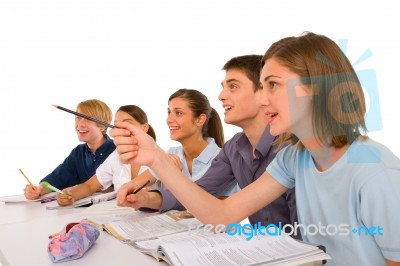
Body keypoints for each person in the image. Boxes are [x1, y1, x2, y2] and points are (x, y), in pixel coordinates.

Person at [110, 32, 400, 265]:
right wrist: (157, 159)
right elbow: (221, 214)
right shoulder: (292, 158)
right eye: (262, 86)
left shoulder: (376, 173)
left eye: (273, 85)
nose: (263, 100)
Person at [118, 55, 298, 236]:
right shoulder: (233, 148)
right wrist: (146, 198)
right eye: (223, 87)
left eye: (233, 86)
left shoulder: (294, 149)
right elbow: (199, 195)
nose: (221, 96)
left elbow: (309, 236)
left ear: (263, 92)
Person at [117, 88, 235, 206]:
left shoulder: (224, 160)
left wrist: (172, 177)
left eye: (178, 113)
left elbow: (216, 209)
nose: (169, 120)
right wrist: (129, 189)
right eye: (169, 112)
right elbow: (136, 184)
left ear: (200, 119)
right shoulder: (171, 153)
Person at [56, 105, 157, 206]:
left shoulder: (161, 157)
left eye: (127, 123)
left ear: (144, 128)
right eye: (117, 126)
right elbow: (90, 186)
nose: (120, 130)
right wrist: (72, 195)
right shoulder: (116, 156)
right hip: (121, 217)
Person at [24, 99, 116, 200]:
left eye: (87, 119)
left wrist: (88, 189)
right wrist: (39, 189)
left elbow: (125, 187)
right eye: (78, 117)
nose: (80, 124)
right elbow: (56, 178)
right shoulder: (78, 153)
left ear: (102, 126)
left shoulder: (118, 150)